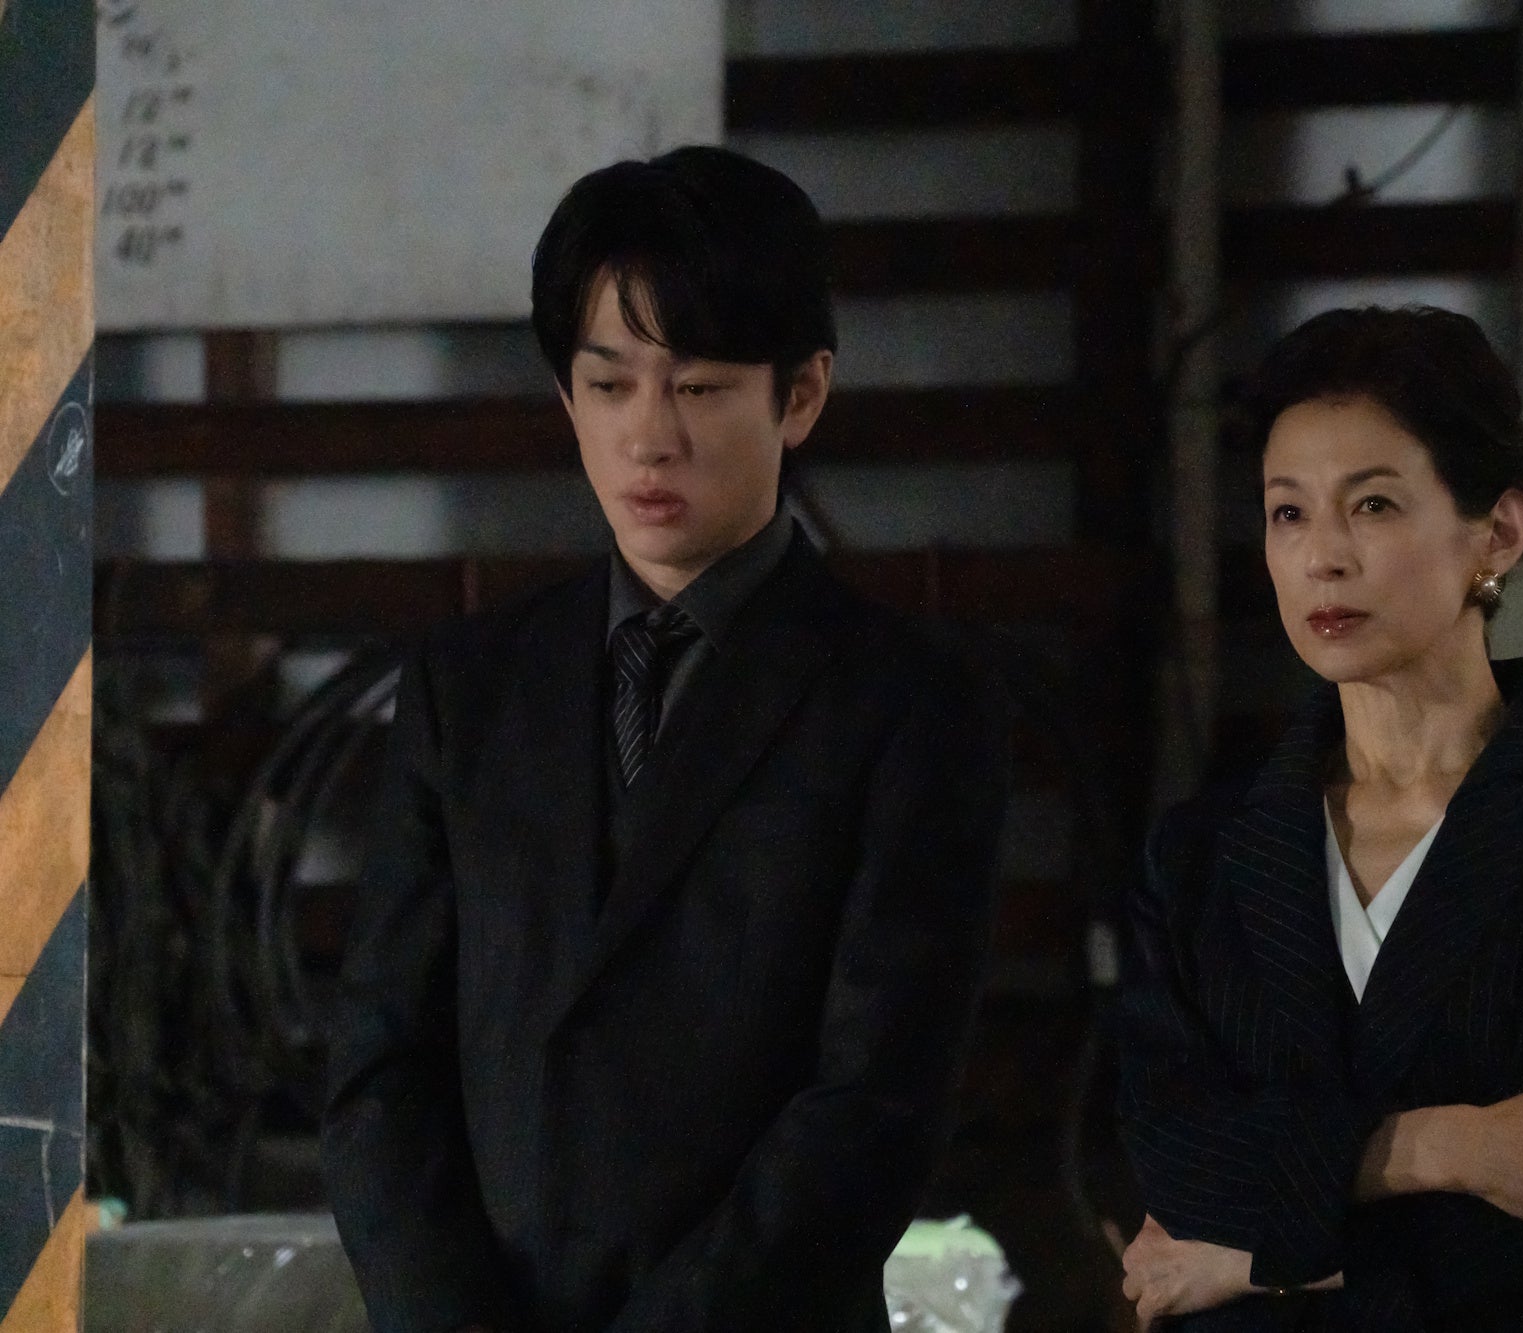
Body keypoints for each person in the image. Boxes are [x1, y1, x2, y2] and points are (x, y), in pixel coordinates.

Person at [322, 146, 1010, 1333]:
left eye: (696, 388)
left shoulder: (908, 703)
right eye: (609, 384)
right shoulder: (466, 688)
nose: (647, 436)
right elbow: (382, 1065)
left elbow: (873, 1103)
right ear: (566, 397)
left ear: (800, 395)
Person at [1116, 306, 1523, 1330]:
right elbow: (1177, 1165)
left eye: (1374, 504)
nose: (1322, 556)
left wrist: (1255, 1263)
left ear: (1498, 533)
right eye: (1287, 512)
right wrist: (1454, 1145)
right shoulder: (1196, 855)